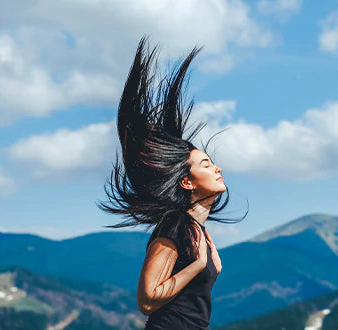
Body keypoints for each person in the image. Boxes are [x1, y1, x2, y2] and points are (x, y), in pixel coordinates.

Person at [99, 36, 247, 329]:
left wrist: (209, 266)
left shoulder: (196, 230)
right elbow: (147, 299)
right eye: (206, 164)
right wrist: (196, 266)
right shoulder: (175, 225)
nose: (217, 168)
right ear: (188, 183)